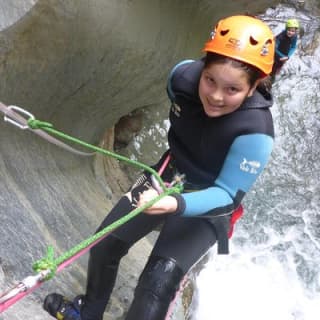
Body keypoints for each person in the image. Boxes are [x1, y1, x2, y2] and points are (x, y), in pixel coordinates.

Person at [43, 15, 275, 320]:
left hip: (210, 205)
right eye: (210, 80)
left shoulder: (255, 132)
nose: (216, 96)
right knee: (105, 244)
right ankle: (89, 311)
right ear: (202, 68)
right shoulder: (181, 79)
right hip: (165, 174)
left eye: (232, 90)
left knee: (156, 287)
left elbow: (228, 194)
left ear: (253, 86)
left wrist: (175, 203)